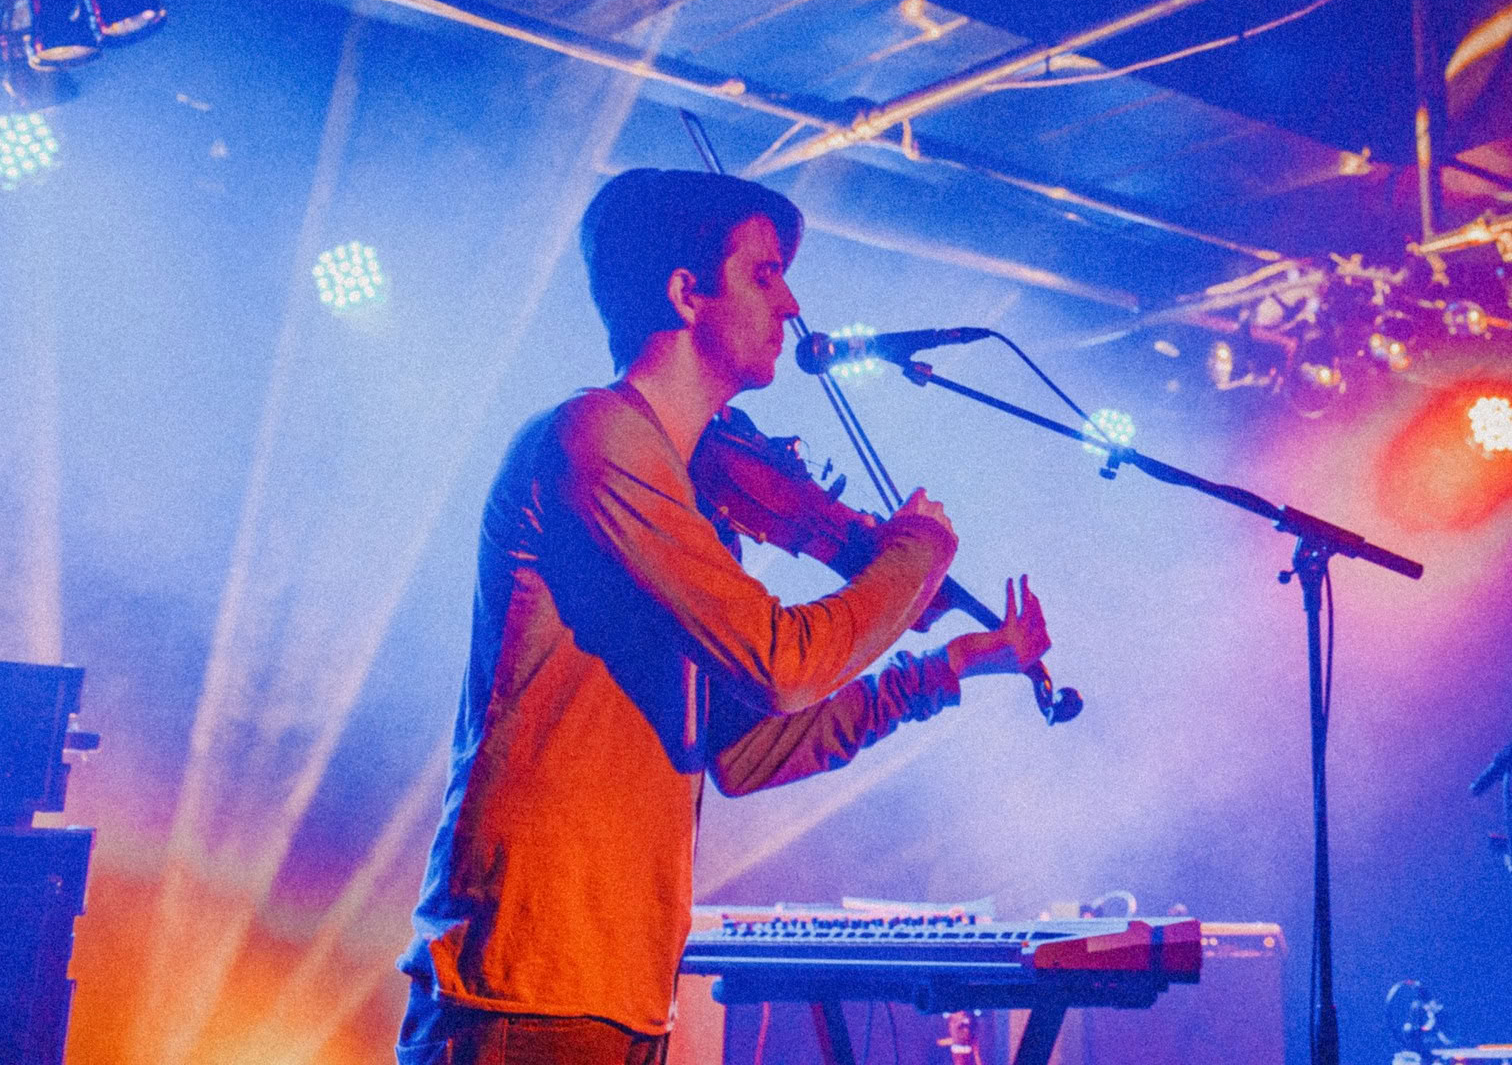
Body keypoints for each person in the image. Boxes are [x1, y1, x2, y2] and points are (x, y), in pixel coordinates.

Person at [396, 168, 1049, 1065]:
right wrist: (914, 553)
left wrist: (948, 668)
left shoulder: (687, 495)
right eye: (765, 273)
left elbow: (745, 748)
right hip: (531, 977)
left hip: (610, 985)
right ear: (685, 293)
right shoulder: (599, 435)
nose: (791, 305)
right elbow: (782, 662)